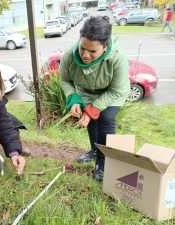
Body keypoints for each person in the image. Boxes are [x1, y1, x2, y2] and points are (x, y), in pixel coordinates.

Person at [60, 16, 130, 181]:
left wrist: (94, 109)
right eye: (83, 48)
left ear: (105, 47)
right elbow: (65, 80)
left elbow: (116, 90)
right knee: (91, 121)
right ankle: (94, 150)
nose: (85, 55)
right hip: (87, 92)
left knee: (105, 119)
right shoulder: (70, 56)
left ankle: (103, 161)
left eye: (92, 51)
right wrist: (74, 99)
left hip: (112, 94)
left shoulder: (117, 58)